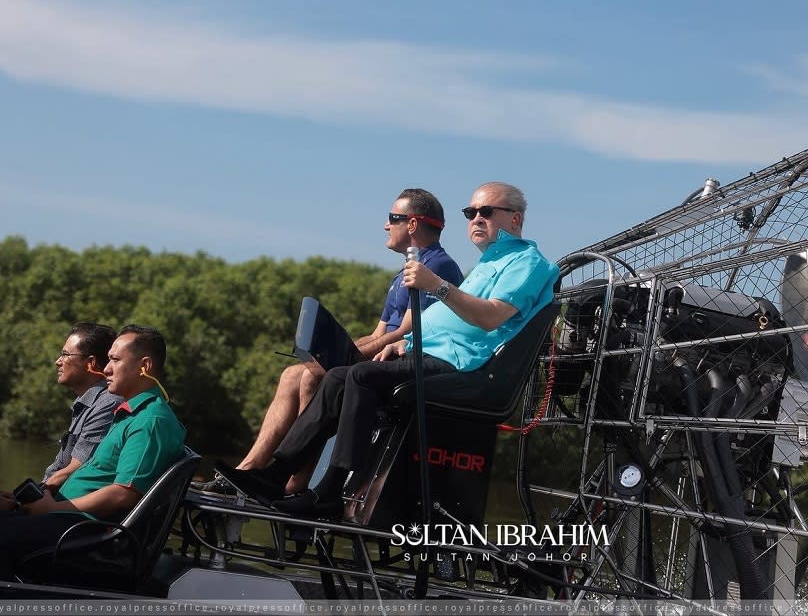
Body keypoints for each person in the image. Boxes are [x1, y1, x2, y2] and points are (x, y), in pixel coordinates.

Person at [218, 182, 560, 518]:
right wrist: (403, 342)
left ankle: (330, 492)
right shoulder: (490, 262)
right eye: (470, 212)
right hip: (429, 353)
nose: (475, 219)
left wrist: (437, 286)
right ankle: (275, 474)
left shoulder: (528, 263)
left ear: (515, 219)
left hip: (461, 364)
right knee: (337, 377)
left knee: (362, 375)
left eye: (486, 211)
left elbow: (489, 317)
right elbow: (449, 319)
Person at [194, 188, 464, 494]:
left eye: (392, 218)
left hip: (400, 366)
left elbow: (403, 333)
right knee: (292, 374)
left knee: (310, 377)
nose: (386, 225)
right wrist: (334, 351)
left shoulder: (436, 268)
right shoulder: (403, 272)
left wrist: (336, 358)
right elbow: (378, 334)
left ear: (413, 224)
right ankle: (250, 471)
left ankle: (292, 485)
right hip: (382, 357)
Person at [0, 325, 186, 580]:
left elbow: (123, 494)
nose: (106, 369)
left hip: (84, 533)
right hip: (70, 522)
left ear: (145, 365)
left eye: (115, 360)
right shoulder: (131, 415)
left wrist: (51, 510)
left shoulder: (151, 421)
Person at [43, 323, 122, 491]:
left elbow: (74, 471)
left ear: (90, 363)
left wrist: (23, 502)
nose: (58, 361)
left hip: (63, 509)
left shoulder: (108, 403)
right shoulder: (88, 403)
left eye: (65, 355)